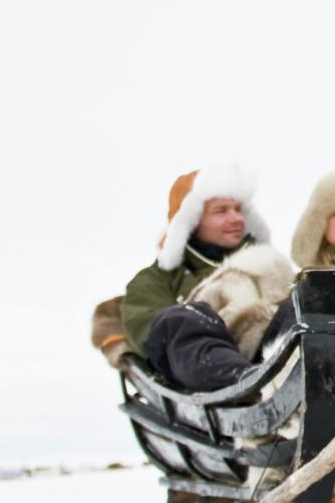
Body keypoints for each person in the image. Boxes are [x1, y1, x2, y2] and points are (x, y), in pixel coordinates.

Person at [121, 162, 284, 393]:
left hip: (273, 355)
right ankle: (242, 381)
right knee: (181, 319)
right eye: (221, 211)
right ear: (191, 220)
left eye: (239, 209)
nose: (236, 219)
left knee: (303, 303)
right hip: (211, 372)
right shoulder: (154, 281)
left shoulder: (269, 268)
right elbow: (150, 336)